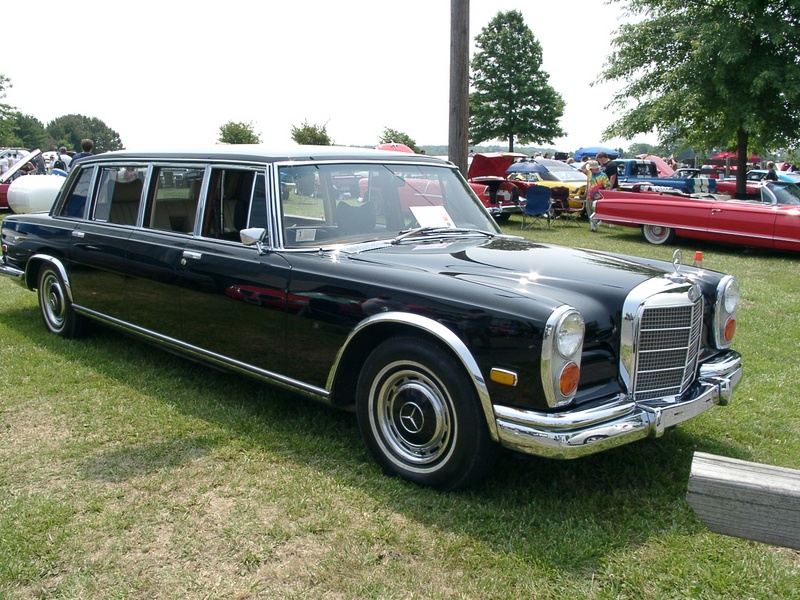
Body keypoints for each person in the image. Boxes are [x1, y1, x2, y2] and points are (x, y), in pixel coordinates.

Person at [585, 160, 610, 232]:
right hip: (589, 197)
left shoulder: (603, 176)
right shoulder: (590, 173)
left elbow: (607, 187)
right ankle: (592, 226)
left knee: (595, 213)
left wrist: (606, 198)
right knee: (589, 212)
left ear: (595, 169)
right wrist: (587, 163)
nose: (590, 170)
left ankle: (594, 227)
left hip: (598, 198)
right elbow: (583, 168)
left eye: (591, 168)